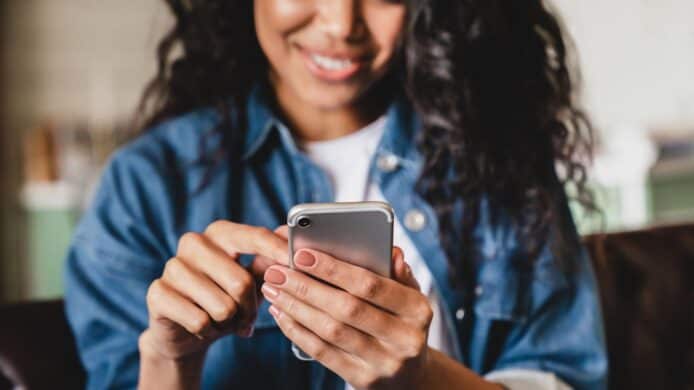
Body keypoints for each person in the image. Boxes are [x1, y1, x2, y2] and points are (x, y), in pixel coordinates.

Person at [64, 0, 607, 389]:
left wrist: (419, 379)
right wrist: (168, 360)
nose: (341, 22)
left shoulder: (499, 158)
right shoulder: (147, 185)